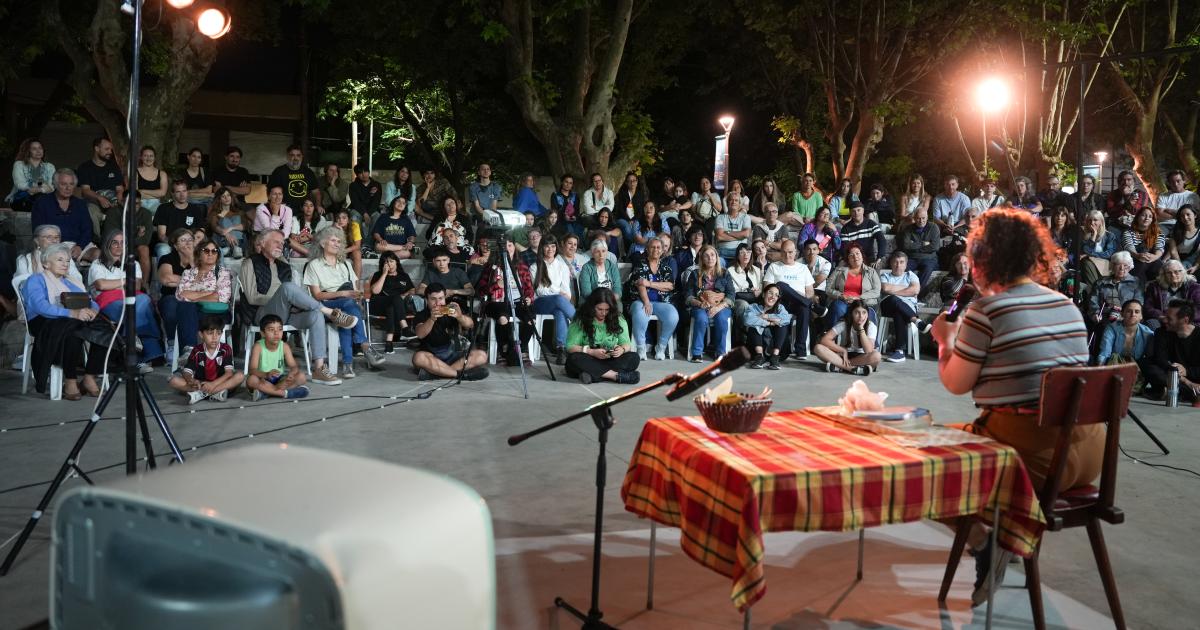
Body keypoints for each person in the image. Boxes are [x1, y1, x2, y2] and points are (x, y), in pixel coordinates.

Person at [931, 209, 1100, 602]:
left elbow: (955, 384)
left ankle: (985, 542)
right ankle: (1009, 538)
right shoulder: (1067, 306)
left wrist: (944, 341)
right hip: (1090, 454)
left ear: (985, 259)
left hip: (1030, 461)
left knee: (920, 460)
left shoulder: (987, 312)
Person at [238, 229, 358, 386]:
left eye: (282, 243)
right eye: (276, 242)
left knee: (315, 314)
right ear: (262, 243)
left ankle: (319, 369)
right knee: (288, 288)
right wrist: (282, 297)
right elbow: (252, 297)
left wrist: (291, 301)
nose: (280, 246)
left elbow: (292, 295)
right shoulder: (249, 263)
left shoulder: (284, 265)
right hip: (262, 314)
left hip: (285, 313)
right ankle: (329, 312)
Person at [20, 243, 108, 399]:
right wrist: (72, 313)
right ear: (46, 263)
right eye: (60, 260)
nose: (65, 264)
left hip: (73, 319)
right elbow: (40, 307)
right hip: (43, 321)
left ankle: (90, 376)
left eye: (67, 261)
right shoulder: (35, 280)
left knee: (104, 327)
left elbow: (89, 300)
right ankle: (71, 380)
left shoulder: (71, 281)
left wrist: (93, 310)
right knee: (73, 330)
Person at [303, 226, 387, 378]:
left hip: (346, 304)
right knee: (348, 305)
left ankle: (348, 366)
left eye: (339, 241)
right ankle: (365, 348)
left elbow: (354, 289)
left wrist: (358, 295)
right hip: (325, 305)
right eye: (333, 240)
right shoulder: (313, 265)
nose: (337, 244)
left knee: (348, 316)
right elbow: (316, 296)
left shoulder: (346, 264)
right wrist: (343, 293)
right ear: (322, 243)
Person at [88, 229, 163, 368]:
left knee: (143, 301)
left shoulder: (133, 263)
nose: (119, 246)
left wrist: (114, 284)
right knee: (144, 305)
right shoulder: (98, 263)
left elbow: (137, 286)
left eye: (122, 243)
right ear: (108, 245)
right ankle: (149, 353)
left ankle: (131, 340)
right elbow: (101, 284)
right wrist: (125, 281)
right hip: (108, 302)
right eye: (115, 242)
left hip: (132, 298)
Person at [411, 282, 489, 380]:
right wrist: (431, 319)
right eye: (433, 299)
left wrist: (460, 317)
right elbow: (420, 334)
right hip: (432, 356)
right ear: (427, 300)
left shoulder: (450, 311)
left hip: (452, 355)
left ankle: (438, 373)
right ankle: (460, 375)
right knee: (418, 358)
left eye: (440, 298)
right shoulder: (421, 315)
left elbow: (470, 325)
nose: (437, 303)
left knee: (482, 355)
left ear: (445, 298)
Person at [173, 236, 234, 355]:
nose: (210, 254)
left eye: (214, 251)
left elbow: (221, 297)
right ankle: (190, 350)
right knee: (185, 307)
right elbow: (180, 295)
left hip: (217, 314)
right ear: (198, 254)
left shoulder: (223, 273)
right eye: (206, 251)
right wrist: (209, 293)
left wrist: (193, 297)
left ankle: (188, 351)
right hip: (194, 312)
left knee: (186, 308)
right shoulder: (188, 273)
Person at [564, 288, 639, 384]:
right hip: (588, 358)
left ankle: (592, 375)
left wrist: (621, 349)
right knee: (573, 359)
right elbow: (570, 347)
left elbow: (626, 344)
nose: (603, 313)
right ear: (592, 306)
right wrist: (591, 351)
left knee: (634, 358)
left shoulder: (618, 319)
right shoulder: (581, 319)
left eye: (607, 310)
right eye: (599, 309)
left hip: (608, 360)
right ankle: (615, 376)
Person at [764, 239, 822, 359]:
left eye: (790, 252)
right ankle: (810, 304)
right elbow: (767, 288)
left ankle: (800, 350)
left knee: (804, 309)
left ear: (795, 252)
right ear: (780, 252)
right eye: (784, 252)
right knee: (781, 284)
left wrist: (804, 296)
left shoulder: (802, 268)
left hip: (798, 303)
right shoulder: (774, 267)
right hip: (779, 302)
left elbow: (810, 291)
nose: (787, 255)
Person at [168, 314, 243, 404]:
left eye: (218, 333)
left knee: (240, 376)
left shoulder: (225, 349)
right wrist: (191, 380)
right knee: (173, 381)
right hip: (201, 384)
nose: (214, 337)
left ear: (221, 334)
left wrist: (212, 384)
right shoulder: (197, 350)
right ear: (201, 334)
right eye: (210, 333)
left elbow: (229, 373)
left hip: (220, 383)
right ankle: (215, 394)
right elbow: (187, 372)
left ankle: (200, 395)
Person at [31, 168, 99, 262]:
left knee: (98, 254)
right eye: (64, 184)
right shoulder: (42, 203)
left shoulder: (80, 204)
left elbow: (87, 229)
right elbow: (38, 231)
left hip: (78, 245)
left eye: (71, 184)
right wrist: (56, 246)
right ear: (55, 184)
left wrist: (80, 246)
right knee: (59, 258)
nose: (68, 188)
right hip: (53, 245)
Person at [1141, 299, 1200, 404]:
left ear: (1185, 320)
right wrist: (1186, 381)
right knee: (1147, 364)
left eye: (1169, 318)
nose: (1164, 320)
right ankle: (1191, 393)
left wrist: (1187, 371)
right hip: (1171, 375)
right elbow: (1160, 360)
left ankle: (1171, 391)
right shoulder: (1161, 332)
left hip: (1193, 377)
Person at [684, 245, 733, 362]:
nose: (710, 258)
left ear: (716, 257)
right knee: (701, 318)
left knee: (721, 319)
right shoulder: (695, 274)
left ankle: (720, 352)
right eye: (706, 256)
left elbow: (731, 295)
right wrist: (699, 304)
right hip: (701, 305)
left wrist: (718, 307)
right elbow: (688, 296)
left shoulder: (725, 273)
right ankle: (697, 352)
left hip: (721, 306)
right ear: (702, 259)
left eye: (712, 255)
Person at [245, 314, 310, 401]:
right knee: (251, 380)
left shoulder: (284, 346)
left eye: (280, 329)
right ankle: (284, 393)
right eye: (271, 330)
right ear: (263, 333)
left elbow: (294, 366)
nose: (276, 333)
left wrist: (292, 373)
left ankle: (266, 393)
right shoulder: (258, 346)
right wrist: (266, 374)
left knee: (301, 376)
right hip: (263, 379)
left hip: (279, 379)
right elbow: (252, 370)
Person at [879, 250, 930, 362]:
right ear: (891, 263)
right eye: (895, 262)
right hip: (888, 306)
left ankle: (899, 352)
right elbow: (886, 289)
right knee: (893, 299)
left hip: (907, 307)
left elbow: (915, 290)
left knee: (899, 312)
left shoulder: (911, 275)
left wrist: (894, 289)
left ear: (906, 264)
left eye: (901, 262)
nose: (898, 265)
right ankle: (916, 321)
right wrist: (907, 289)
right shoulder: (885, 276)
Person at [531, 236, 575, 362]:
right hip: (540, 303)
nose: (550, 249)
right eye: (547, 246)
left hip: (557, 303)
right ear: (542, 248)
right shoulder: (535, 266)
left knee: (560, 311)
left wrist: (558, 292)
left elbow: (567, 292)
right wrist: (558, 291)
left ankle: (561, 349)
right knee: (558, 299)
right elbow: (540, 291)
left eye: (553, 246)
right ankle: (581, 323)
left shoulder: (562, 266)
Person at [75, 137, 125, 238]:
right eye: (106, 149)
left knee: (125, 211)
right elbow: (85, 190)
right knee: (90, 211)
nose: (110, 152)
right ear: (97, 149)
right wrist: (100, 198)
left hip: (113, 202)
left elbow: (119, 189)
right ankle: (96, 240)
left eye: (111, 149)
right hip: (94, 202)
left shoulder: (114, 167)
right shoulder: (85, 167)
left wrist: (119, 200)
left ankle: (119, 241)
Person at [368, 251, 416, 354]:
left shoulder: (404, 276)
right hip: (378, 304)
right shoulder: (378, 275)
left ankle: (389, 343)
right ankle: (405, 328)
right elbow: (375, 291)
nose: (389, 264)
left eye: (391, 261)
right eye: (386, 262)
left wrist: (404, 295)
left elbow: (412, 290)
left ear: (396, 262)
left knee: (392, 306)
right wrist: (384, 274)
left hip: (396, 307)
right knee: (394, 299)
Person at [815, 299, 880, 375]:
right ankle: (853, 369)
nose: (861, 316)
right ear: (851, 313)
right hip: (844, 355)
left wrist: (861, 328)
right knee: (818, 348)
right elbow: (824, 340)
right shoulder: (844, 323)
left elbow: (868, 350)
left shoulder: (871, 326)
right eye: (857, 312)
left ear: (867, 314)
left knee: (876, 356)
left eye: (864, 312)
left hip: (862, 357)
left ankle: (839, 366)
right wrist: (843, 350)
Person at [824, 244, 881, 327]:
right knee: (837, 307)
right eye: (851, 255)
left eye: (857, 253)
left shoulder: (871, 272)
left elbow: (876, 291)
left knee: (869, 316)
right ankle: (830, 337)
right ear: (848, 258)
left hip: (864, 303)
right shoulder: (839, 270)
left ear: (862, 255)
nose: (855, 257)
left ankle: (869, 340)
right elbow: (828, 289)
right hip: (843, 302)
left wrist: (858, 297)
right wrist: (841, 296)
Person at [154, 179, 208, 258]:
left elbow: (201, 231)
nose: (182, 195)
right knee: (163, 249)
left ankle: (217, 271)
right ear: (172, 193)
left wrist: (192, 243)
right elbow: (162, 235)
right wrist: (177, 245)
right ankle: (166, 270)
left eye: (184, 191)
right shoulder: (164, 208)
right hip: (169, 244)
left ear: (187, 192)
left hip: (191, 244)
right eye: (178, 192)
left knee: (215, 249)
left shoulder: (195, 209)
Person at [15, 224, 83, 287]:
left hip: (64, 292)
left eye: (57, 237)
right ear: (37, 241)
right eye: (49, 237)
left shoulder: (65, 257)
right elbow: (22, 283)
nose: (54, 241)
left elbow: (77, 278)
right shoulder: (24, 259)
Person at [744, 283, 792, 370]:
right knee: (754, 325)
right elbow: (748, 320)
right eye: (770, 293)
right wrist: (769, 323)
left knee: (782, 325)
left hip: (779, 351)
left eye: (776, 295)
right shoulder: (754, 307)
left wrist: (767, 317)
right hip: (755, 348)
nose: (773, 297)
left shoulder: (780, 308)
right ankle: (759, 356)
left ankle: (775, 357)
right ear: (763, 294)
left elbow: (787, 319)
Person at [1087, 250, 1143, 325]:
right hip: (1105, 317)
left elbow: (1139, 301)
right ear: (1112, 266)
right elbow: (1093, 301)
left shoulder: (1135, 282)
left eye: (1125, 265)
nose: (1122, 268)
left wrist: (1127, 314)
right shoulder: (1101, 282)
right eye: (1118, 265)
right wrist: (1095, 314)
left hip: (1128, 316)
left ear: (1130, 267)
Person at [1143, 260, 1200, 330]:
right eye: (1169, 273)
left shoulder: (1195, 288)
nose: (1173, 275)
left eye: (1176, 272)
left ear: (1183, 272)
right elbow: (1148, 307)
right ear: (1164, 275)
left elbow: (1198, 309)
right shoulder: (1154, 287)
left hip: (1186, 321)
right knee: (1151, 323)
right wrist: (1163, 316)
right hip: (1164, 320)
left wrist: (1180, 319)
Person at [1095, 299, 1153, 367]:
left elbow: (1150, 358)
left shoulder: (1148, 334)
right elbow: (1104, 353)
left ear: (1141, 316)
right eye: (1129, 311)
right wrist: (1100, 368)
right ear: (1122, 314)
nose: (1133, 314)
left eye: (1137, 312)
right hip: (1113, 365)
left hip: (1136, 367)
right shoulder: (1111, 329)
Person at [268, 145, 320, 215]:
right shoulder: (279, 171)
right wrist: (275, 207)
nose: (295, 158)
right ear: (287, 156)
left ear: (302, 157)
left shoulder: (308, 172)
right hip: (284, 210)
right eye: (292, 155)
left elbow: (316, 192)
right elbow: (270, 191)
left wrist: (318, 205)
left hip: (304, 211)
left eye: (298, 155)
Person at [7, 137, 54, 209]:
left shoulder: (49, 166)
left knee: (43, 198)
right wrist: (42, 187)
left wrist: (39, 190)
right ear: (28, 151)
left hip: (43, 197)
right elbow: (20, 185)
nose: (38, 151)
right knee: (40, 199)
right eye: (34, 149)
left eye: (40, 148)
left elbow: (52, 187)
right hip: (22, 198)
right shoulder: (19, 164)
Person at [1123, 206, 1167, 282]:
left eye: (1150, 216)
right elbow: (1128, 246)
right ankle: (1137, 287)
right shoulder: (1128, 232)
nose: (1147, 218)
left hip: (1153, 259)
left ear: (1152, 220)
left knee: (1159, 264)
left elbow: (1159, 248)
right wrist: (1138, 255)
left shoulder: (1158, 233)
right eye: (1143, 215)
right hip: (1135, 259)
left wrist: (1154, 256)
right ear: (1137, 217)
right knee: (1141, 262)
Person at [898, 206, 939, 288]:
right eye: (918, 218)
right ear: (914, 218)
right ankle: (904, 290)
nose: (921, 221)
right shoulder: (908, 229)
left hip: (929, 258)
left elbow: (935, 247)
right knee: (903, 268)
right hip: (912, 258)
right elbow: (906, 245)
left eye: (923, 218)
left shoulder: (934, 227)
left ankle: (916, 292)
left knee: (927, 269)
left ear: (927, 217)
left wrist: (914, 245)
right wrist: (923, 244)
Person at [1079, 209, 1120, 286]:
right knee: (1086, 262)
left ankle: (1094, 289)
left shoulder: (1109, 236)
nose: (1092, 223)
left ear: (1101, 222)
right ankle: (1095, 289)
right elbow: (1086, 251)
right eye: (1090, 220)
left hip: (1104, 265)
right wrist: (1093, 236)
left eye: (1095, 220)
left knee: (1087, 261)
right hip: (1089, 266)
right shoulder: (1084, 236)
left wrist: (1090, 255)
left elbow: (1108, 254)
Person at [839, 200, 886, 266]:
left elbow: (881, 240)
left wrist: (879, 257)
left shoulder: (871, 224)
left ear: (863, 211)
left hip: (869, 259)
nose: (856, 213)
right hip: (853, 260)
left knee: (875, 269)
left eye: (858, 210)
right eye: (853, 211)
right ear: (850, 213)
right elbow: (844, 247)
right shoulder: (846, 228)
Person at [371, 195, 418, 259]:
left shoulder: (406, 219)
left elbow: (412, 235)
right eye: (398, 201)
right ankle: (401, 249)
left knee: (407, 253)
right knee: (378, 246)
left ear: (405, 207)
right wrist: (381, 240)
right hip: (386, 247)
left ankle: (384, 257)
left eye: (403, 203)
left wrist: (410, 242)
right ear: (393, 203)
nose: (401, 204)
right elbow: (376, 233)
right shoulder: (383, 217)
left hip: (399, 251)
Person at [727, 243, 763, 326]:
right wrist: (749, 290)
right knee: (744, 305)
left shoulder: (756, 270)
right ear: (737, 255)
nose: (746, 255)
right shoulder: (730, 271)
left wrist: (758, 290)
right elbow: (732, 291)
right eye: (742, 252)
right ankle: (742, 335)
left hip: (755, 298)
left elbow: (761, 286)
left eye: (748, 252)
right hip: (738, 299)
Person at [207, 185, 246, 258]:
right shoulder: (215, 213)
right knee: (225, 220)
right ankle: (234, 249)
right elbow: (214, 227)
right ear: (219, 199)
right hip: (223, 242)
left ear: (231, 197)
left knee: (236, 218)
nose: (226, 198)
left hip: (239, 242)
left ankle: (234, 248)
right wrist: (226, 233)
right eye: (223, 196)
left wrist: (231, 228)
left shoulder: (238, 212)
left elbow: (244, 226)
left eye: (228, 195)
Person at [715, 197, 752, 263]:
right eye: (731, 200)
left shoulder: (745, 217)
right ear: (727, 203)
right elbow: (720, 237)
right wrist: (740, 237)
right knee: (719, 264)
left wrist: (728, 232)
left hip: (740, 253)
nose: (733, 202)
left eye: (736, 200)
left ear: (740, 204)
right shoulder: (720, 217)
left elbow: (746, 234)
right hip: (723, 252)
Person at [331, 208, 364, 280]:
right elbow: (332, 245)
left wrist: (344, 251)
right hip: (337, 250)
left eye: (344, 218)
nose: (341, 220)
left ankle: (356, 284)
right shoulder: (333, 227)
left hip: (350, 250)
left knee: (357, 253)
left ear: (348, 220)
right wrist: (338, 230)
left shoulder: (354, 226)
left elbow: (357, 245)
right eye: (338, 218)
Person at [615, 172, 648, 240]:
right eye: (629, 181)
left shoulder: (641, 194)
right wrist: (628, 220)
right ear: (626, 183)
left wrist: (633, 220)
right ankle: (632, 246)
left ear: (637, 181)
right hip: (623, 218)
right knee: (627, 228)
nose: (632, 183)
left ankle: (633, 247)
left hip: (636, 219)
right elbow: (620, 209)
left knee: (635, 227)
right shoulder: (622, 194)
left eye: (634, 180)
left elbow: (641, 210)